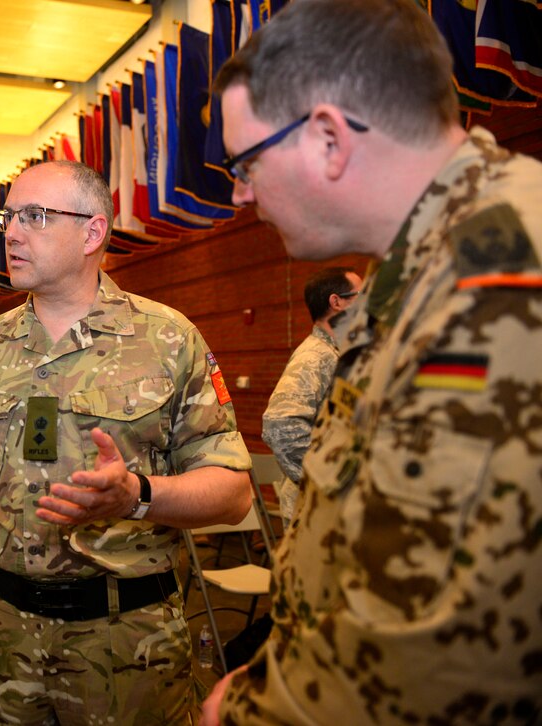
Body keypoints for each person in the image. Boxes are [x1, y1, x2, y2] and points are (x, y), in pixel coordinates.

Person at [204, 1, 542, 723]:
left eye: (244, 162)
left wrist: (254, 712)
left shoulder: (492, 288)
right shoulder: (423, 268)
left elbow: (435, 645)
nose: (239, 193)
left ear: (328, 138)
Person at [0, 160, 252, 725]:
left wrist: (137, 495)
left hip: (124, 648)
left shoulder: (167, 339)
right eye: (8, 217)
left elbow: (232, 492)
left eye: (35, 216)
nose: (11, 233)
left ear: (92, 232)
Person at [261, 266, 362, 522]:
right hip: (314, 511)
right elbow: (280, 425)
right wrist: (328, 479)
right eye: (361, 295)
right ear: (337, 302)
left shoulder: (336, 353)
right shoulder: (315, 356)